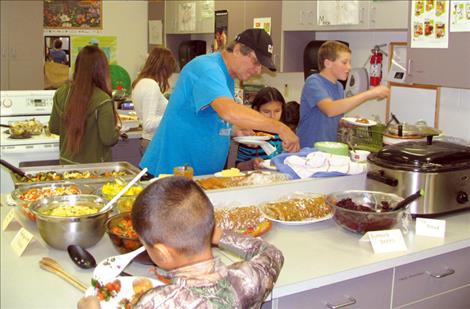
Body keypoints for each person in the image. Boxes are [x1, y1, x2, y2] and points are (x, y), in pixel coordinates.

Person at [77, 176, 284, 309]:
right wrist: (219, 235)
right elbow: (272, 253)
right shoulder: (249, 279)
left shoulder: (159, 302)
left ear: (162, 253)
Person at [140, 28, 299, 176]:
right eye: (256, 62)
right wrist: (280, 128)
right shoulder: (207, 69)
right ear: (237, 50)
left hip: (196, 175)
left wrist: (233, 131)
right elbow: (228, 111)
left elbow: (208, 119)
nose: (258, 71)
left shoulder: (226, 77)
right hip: (171, 172)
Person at [296, 40, 390, 148]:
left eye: (350, 63)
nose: (349, 67)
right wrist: (369, 94)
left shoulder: (339, 87)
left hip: (328, 149)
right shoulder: (313, 82)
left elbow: (332, 117)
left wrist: (345, 122)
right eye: (344, 62)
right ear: (327, 63)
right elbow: (330, 109)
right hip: (308, 150)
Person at [49, 45, 120, 164]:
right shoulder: (103, 100)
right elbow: (108, 139)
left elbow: (54, 128)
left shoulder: (61, 93)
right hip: (94, 169)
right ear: (102, 70)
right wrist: (117, 129)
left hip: (67, 164)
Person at [132, 47, 177, 155]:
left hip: (150, 142)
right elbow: (149, 124)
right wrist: (173, 114)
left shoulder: (141, 83)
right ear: (164, 69)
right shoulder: (151, 85)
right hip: (154, 143)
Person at [236, 86, 286, 171]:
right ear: (256, 110)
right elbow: (238, 166)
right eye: (266, 112)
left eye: (277, 111)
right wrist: (251, 164)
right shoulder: (250, 136)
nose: (272, 116)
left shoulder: (285, 134)